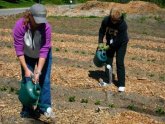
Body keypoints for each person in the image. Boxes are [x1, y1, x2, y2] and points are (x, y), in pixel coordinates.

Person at [13, 3, 53, 118]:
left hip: (43, 54)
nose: (39, 22)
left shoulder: (46, 27)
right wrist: (26, 69)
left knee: (44, 79)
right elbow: (19, 49)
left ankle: (44, 107)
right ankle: (27, 108)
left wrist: (38, 71)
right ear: (29, 16)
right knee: (27, 80)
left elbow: (45, 49)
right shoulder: (20, 26)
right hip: (26, 54)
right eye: (37, 19)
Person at [98, 7, 129, 92]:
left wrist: (108, 47)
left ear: (119, 18)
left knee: (119, 62)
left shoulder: (123, 25)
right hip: (110, 41)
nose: (114, 22)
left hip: (121, 44)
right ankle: (108, 80)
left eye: (116, 20)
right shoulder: (106, 20)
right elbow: (101, 31)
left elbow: (118, 41)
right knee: (108, 61)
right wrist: (100, 42)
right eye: (112, 20)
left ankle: (121, 84)